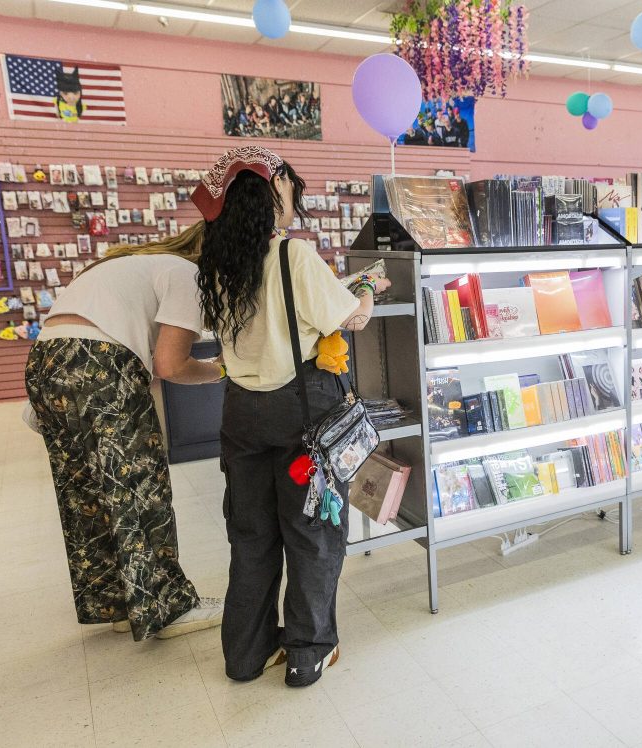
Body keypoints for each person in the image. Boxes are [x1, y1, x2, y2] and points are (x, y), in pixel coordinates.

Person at [192, 146, 391, 687]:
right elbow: (352, 319)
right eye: (288, 186)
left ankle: (245, 655)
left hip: (240, 412)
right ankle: (307, 652)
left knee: (251, 536)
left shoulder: (219, 264)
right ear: (275, 186)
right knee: (311, 533)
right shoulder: (294, 255)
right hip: (301, 414)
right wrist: (366, 289)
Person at [24, 225, 227, 642]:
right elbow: (171, 365)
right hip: (99, 365)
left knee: (84, 492)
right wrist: (221, 371)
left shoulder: (129, 264)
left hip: (45, 361)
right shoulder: (186, 274)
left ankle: (117, 603)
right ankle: (169, 608)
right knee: (139, 487)